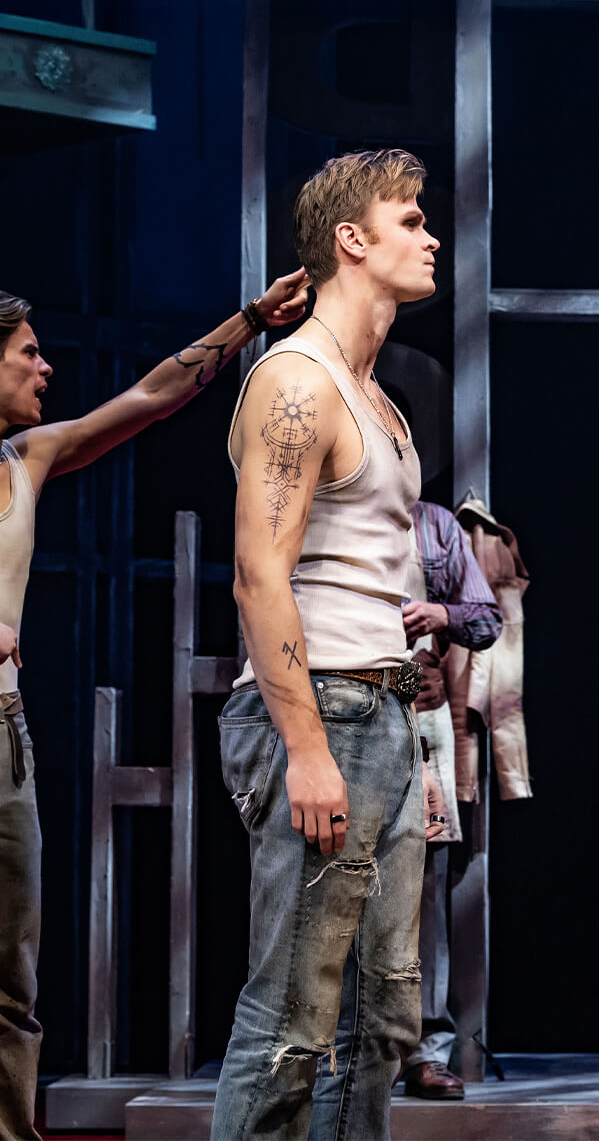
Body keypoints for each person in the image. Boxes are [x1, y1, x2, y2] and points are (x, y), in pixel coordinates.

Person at [0, 269, 310, 1140]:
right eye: (29, 353)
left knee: (10, 973)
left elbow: (151, 396)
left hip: (3, 734)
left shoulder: (27, 460)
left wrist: (250, 319)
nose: (47, 368)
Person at [212, 148, 446, 1141]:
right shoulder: (297, 380)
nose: (432, 238)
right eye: (410, 220)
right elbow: (259, 575)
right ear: (351, 239)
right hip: (324, 714)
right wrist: (307, 747)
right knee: (293, 1020)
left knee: (378, 1021)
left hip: (380, 710)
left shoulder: (377, 398)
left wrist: (406, 720)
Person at [400, 499, 502, 1101]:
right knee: (338, 883)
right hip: (340, 709)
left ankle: (424, 1049)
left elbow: (486, 620)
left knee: (424, 891)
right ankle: (349, 1049)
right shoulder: (323, 508)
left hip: (418, 720)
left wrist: (440, 613)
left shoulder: (433, 525)